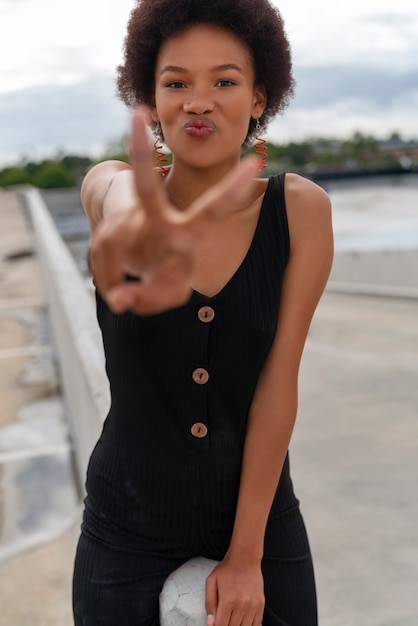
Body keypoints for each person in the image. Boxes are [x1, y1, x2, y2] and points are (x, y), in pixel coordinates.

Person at [72, 0, 333, 624]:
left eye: (224, 80)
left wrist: (246, 556)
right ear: (150, 98)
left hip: (257, 524)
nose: (198, 100)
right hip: (123, 529)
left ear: (260, 95)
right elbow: (106, 186)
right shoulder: (115, 193)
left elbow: (278, 383)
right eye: (175, 83)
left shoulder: (299, 212)